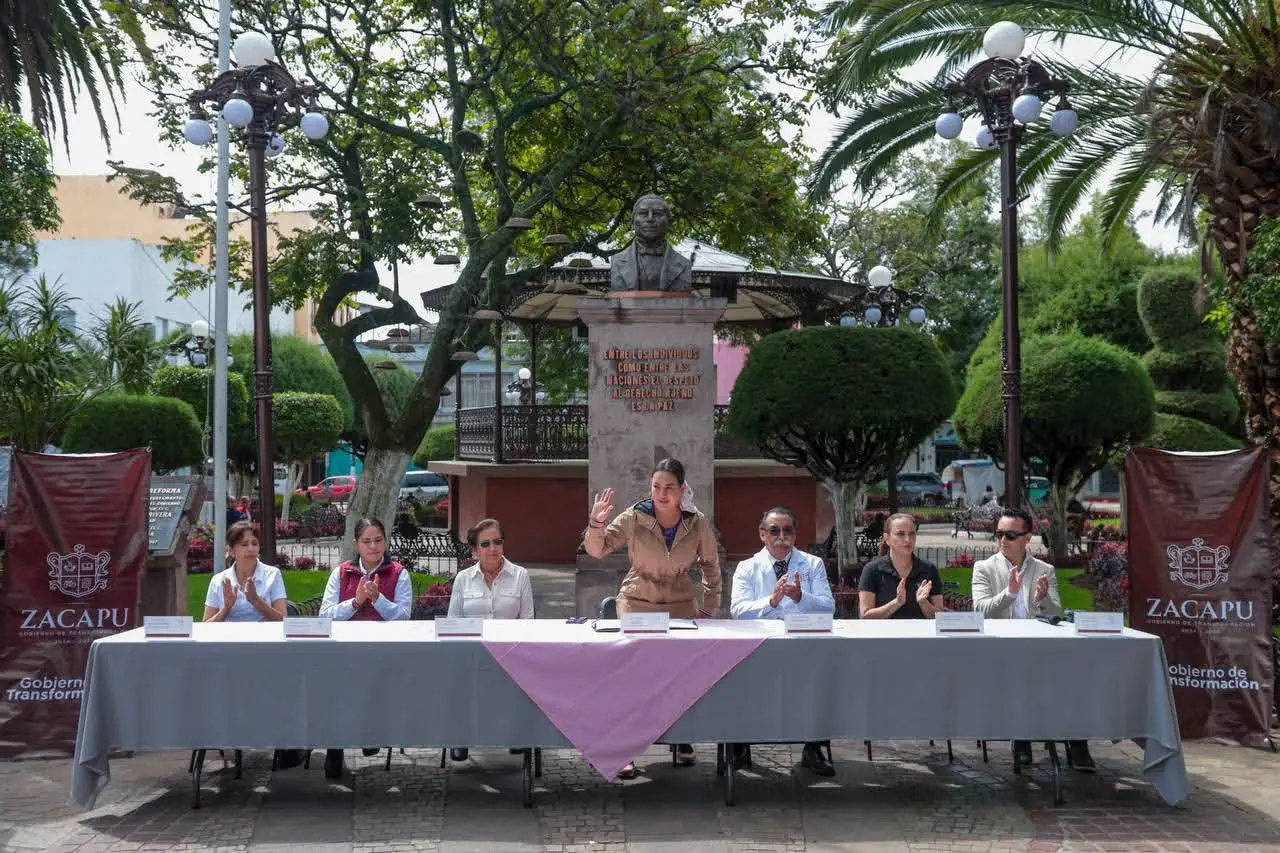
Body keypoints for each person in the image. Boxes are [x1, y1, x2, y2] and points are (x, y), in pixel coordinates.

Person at [584, 457, 722, 776]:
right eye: (656, 486)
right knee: (631, 675)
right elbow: (597, 549)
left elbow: (711, 565)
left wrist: (710, 605)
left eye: (669, 487)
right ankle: (625, 748)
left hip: (679, 602)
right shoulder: (635, 516)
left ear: (682, 489)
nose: (661, 493)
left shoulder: (697, 522)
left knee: (681, 675)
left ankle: (681, 738)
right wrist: (596, 523)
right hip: (638, 600)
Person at [971, 508, 1095, 773]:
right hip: (1000, 647)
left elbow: (1056, 614)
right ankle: (1022, 739)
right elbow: (980, 611)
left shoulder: (1044, 569)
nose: (1003, 539)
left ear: (1028, 537)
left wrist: (1042, 599)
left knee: (1074, 675)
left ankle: (1076, 740)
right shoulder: (984, 568)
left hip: (1040, 647)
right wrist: (1009, 593)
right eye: (999, 534)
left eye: (1011, 534)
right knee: (1024, 676)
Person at [730, 506, 836, 777]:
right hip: (759, 648)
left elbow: (828, 608)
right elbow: (738, 610)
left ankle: (814, 747)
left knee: (819, 683)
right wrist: (772, 601)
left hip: (803, 648)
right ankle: (739, 745)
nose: (781, 537)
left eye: (787, 530)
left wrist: (801, 598)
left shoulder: (812, 565)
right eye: (774, 531)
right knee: (741, 683)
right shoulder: (747, 567)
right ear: (762, 535)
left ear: (795, 534)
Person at [319, 517, 413, 779]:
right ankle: (335, 748)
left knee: (373, 680)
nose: (373, 547)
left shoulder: (398, 573)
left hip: (385, 651)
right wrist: (356, 602)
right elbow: (324, 616)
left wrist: (377, 599)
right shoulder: (341, 573)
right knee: (335, 685)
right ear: (356, 545)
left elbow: (404, 616)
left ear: (386, 541)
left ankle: (370, 731)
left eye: (378, 540)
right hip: (344, 651)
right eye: (366, 541)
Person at [446, 518, 535, 763]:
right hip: (473, 654)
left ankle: (517, 734)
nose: (493, 548)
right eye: (485, 544)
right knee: (460, 674)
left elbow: (528, 622)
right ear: (475, 550)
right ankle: (460, 736)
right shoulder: (463, 579)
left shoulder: (520, 576)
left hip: (512, 654)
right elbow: (453, 621)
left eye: (498, 542)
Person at [857, 513, 943, 619]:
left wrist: (923, 603)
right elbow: (865, 616)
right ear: (887, 538)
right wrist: (897, 602)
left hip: (920, 635)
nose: (907, 539)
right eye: (900, 534)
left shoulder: (929, 569)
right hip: (885, 635)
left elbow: (941, 618)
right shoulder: (872, 570)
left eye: (912, 534)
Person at [203, 521, 287, 622]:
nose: (251, 549)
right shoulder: (218, 580)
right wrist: (226, 609)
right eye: (244, 545)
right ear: (231, 551)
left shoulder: (273, 574)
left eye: (254, 543)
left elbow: (283, 621)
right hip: (229, 637)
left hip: (264, 637)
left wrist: (255, 600)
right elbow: (205, 626)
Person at [608, 194, 693, 292]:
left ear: (668, 223)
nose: (650, 218)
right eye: (643, 213)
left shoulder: (684, 264)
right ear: (633, 223)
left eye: (657, 213)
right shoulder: (617, 261)